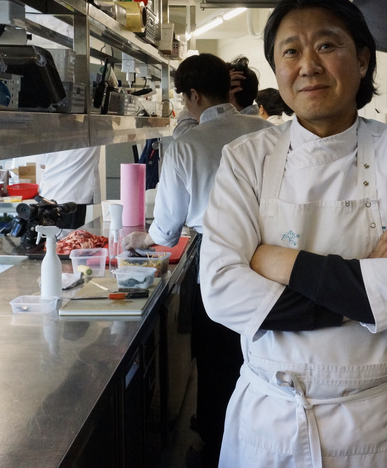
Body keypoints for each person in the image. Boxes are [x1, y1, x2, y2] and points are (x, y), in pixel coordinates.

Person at [200, 0, 387, 467]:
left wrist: (276, 259)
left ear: (362, 59)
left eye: (327, 46)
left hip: (375, 426)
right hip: (269, 422)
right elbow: (221, 291)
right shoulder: (246, 160)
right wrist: (361, 286)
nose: (308, 65)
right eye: (291, 51)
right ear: (278, 69)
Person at [121, 53, 271, 468]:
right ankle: (257, 438)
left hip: (219, 258)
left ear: (193, 94)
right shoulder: (268, 131)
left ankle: (213, 444)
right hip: (272, 258)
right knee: (258, 352)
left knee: (216, 355)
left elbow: (166, 232)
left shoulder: (186, 145)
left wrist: (138, 237)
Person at [35, 146, 102, 229]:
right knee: (70, 239)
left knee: (49, 238)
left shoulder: (46, 134)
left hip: (48, 196)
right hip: (72, 198)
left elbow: (42, 164)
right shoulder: (89, 134)